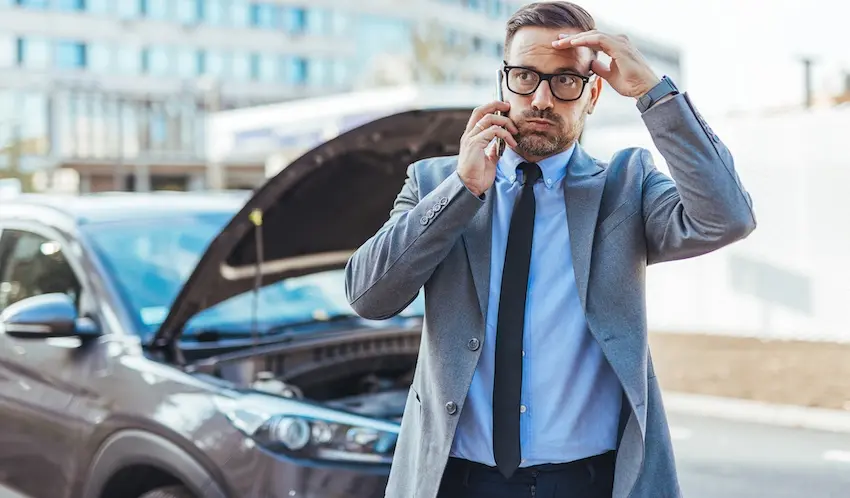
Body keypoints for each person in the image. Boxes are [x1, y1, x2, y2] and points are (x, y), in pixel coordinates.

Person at [344, 2, 756, 497]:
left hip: (587, 482)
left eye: (565, 81)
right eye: (525, 77)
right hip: (456, 481)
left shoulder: (626, 187)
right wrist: (463, 189)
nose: (541, 99)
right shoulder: (434, 181)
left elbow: (728, 216)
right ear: (503, 83)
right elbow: (369, 297)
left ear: (593, 92)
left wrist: (653, 92)